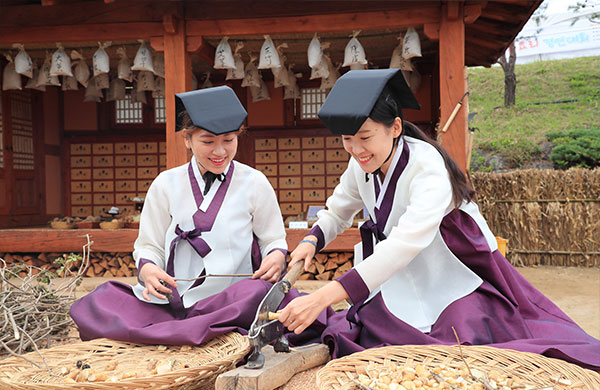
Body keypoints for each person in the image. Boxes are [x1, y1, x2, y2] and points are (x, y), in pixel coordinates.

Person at [277, 69, 600, 370]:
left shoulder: (427, 166)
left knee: (463, 341)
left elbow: (404, 244)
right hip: (405, 266)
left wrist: (322, 297)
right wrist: (311, 241)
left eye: (365, 137)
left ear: (396, 128)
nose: (356, 149)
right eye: (347, 139)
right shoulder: (360, 163)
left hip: (458, 263)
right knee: (382, 333)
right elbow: (338, 209)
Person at [70, 86, 327, 346]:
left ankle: (181, 330)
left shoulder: (254, 182)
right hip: (170, 301)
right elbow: (149, 245)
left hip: (232, 299)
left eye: (229, 140)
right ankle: (197, 329)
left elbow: (272, 239)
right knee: (102, 299)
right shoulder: (165, 184)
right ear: (187, 140)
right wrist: (148, 268)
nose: (219, 152)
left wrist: (274, 255)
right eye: (207, 142)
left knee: (260, 292)